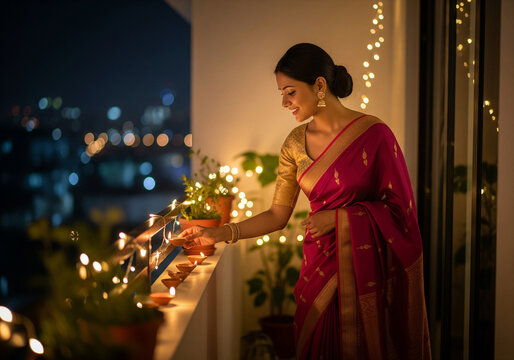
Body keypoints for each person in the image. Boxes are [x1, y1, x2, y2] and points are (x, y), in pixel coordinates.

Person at [179, 43, 431, 359]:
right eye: (281, 94)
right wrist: (221, 233)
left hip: (367, 274)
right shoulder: (294, 144)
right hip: (320, 269)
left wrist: (337, 218)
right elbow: (277, 215)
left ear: (320, 86)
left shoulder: (376, 135)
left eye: (290, 92)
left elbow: (400, 213)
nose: (284, 103)